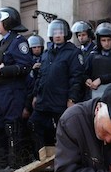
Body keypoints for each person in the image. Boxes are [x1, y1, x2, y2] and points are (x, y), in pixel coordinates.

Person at [29, 19, 83, 154]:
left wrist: (72, 98)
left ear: (66, 34)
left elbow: (77, 78)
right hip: (44, 100)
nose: (58, 35)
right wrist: (36, 95)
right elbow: (41, 75)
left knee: (63, 132)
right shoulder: (46, 53)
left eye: (60, 32)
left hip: (60, 101)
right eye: (55, 32)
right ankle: (42, 157)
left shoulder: (73, 52)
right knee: (34, 124)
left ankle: (64, 161)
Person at [0, 6, 33, 169]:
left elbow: (25, 66)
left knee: (11, 127)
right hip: (0, 91)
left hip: (12, 91)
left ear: (8, 21)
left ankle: (15, 165)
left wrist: (3, 70)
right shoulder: (4, 42)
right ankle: (2, 162)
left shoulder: (18, 41)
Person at [83, 22, 111, 100]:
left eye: (109, 40)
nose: (106, 43)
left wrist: (101, 79)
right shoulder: (92, 56)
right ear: (99, 41)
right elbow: (85, 73)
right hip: (95, 95)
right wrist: (87, 80)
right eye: (103, 40)